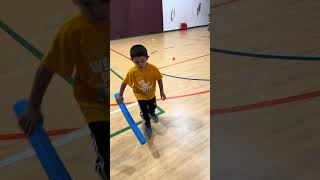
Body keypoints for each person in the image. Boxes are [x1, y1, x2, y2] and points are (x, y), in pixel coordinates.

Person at [18, 0, 109, 179]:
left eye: (105, 1)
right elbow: (47, 68)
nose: (99, 10)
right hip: (94, 106)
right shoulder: (72, 32)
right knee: (108, 156)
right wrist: (34, 106)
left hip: (112, 100)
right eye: (88, 4)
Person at [116, 44, 166, 136]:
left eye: (142, 61)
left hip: (151, 94)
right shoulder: (132, 71)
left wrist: (161, 91)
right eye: (137, 62)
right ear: (132, 60)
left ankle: (152, 113)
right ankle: (147, 122)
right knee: (144, 112)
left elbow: (159, 79)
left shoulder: (153, 68)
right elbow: (124, 83)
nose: (140, 65)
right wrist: (120, 95)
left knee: (153, 107)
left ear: (147, 58)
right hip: (140, 96)